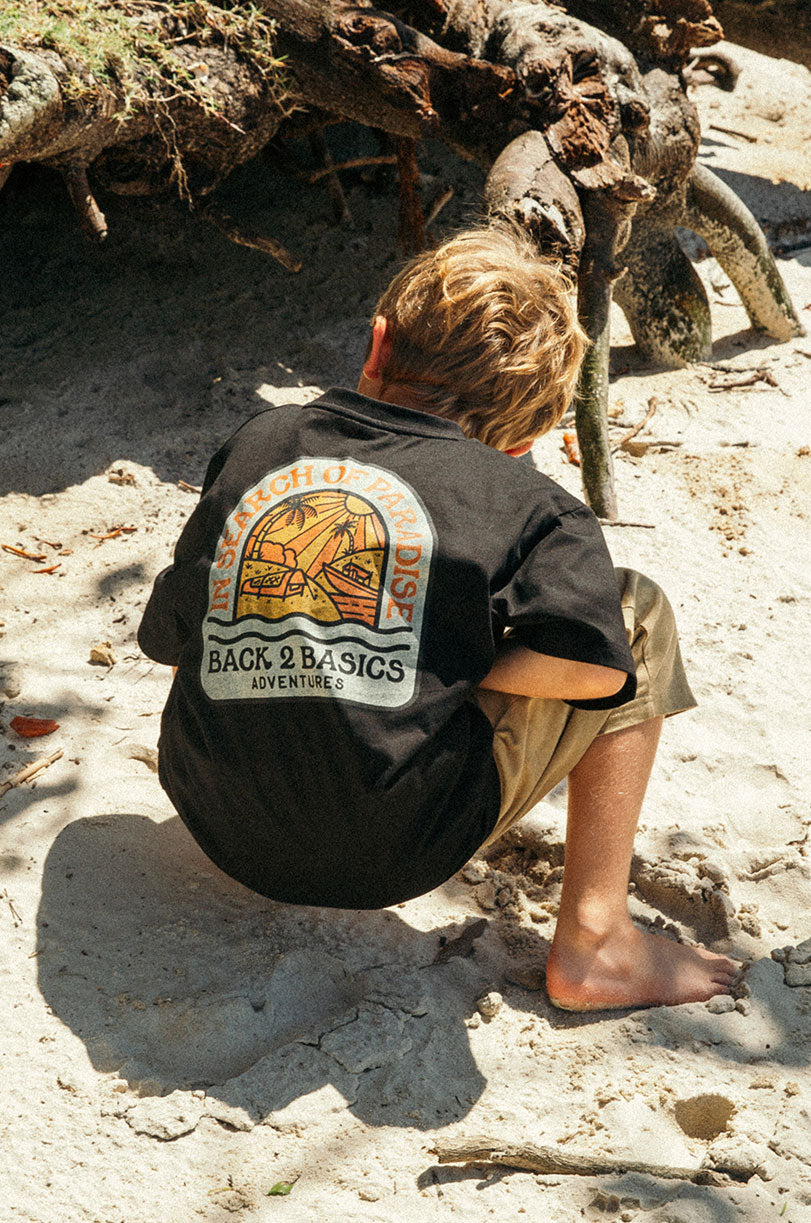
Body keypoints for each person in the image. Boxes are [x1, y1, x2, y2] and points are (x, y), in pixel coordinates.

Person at [138, 223, 738, 1011]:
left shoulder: (262, 439)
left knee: (243, 591)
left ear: (377, 343)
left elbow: (173, 635)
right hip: (387, 849)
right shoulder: (527, 503)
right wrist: (446, 658)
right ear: (527, 436)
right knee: (635, 615)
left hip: (214, 810)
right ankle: (596, 940)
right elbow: (596, 667)